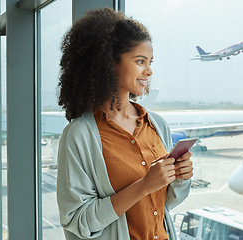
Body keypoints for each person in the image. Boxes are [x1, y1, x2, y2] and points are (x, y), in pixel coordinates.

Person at [56, 8, 193, 240]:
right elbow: (78, 222)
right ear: (109, 62)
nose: (148, 71)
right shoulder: (78, 136)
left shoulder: (157, 124)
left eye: (150, 62)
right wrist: (144, 185)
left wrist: (180, 178)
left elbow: (163, 204)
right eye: (140, 61)